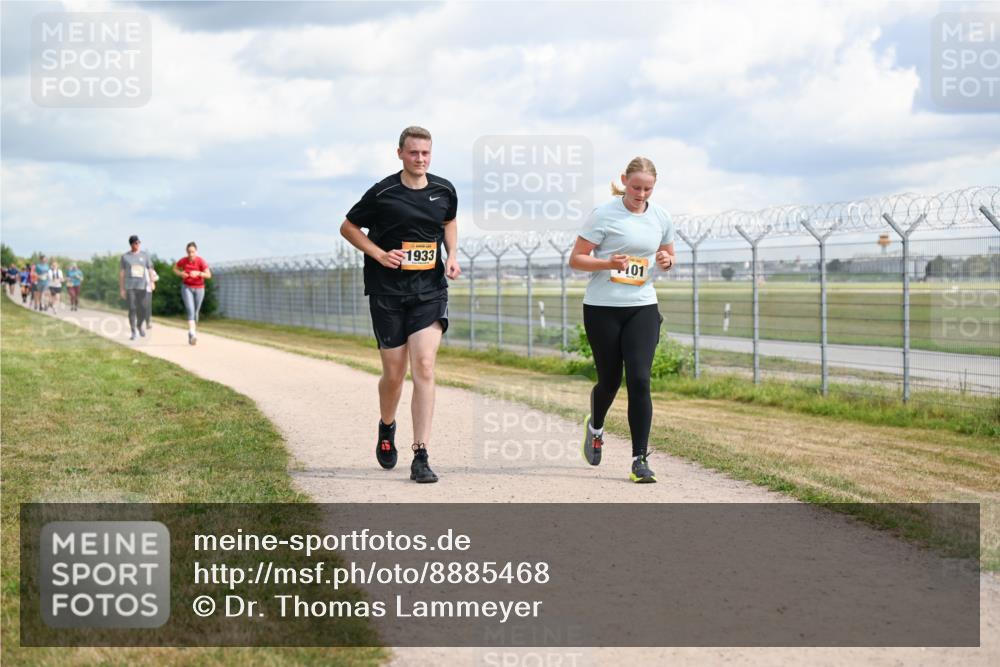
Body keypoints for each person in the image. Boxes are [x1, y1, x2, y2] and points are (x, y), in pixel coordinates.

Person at [339, 126, 460, 484]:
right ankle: (387, 425)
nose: (420, 159)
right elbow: (348, 227)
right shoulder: (383, 192)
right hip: (388, 292)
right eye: (413, 153)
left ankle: (420, 453)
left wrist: (452, 254)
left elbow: (449, 221)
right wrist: (378, 253)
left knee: (423, 365)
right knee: (394, 374)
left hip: (429, 290)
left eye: (425, 153)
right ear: (400, 154)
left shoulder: (444, 190)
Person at [568, 157, 675, 484]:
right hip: (602, 308)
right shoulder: (603, 215)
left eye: (648, 189)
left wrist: (666, 260)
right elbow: (576, 260)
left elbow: (669, 256)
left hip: (642, 305)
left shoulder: (661, 217)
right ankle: (596, 426)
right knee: (610, 381)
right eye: (636, 187)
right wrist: (607, 263)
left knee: (640, 379)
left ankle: (639, 459)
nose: (641, 194)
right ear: (624, 181)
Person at [173, 242, 211, 345]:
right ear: (187, 252)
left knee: (196, 312)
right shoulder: (183, 260)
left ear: (196, 252)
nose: (191, 254)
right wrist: (181, 273)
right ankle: (192, 333)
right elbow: (175, 268)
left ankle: (192, 333)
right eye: (189, 252)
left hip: (199, 288)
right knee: (190, 310)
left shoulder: (201, 261)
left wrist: (198, 273)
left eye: (193, 252)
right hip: (187, 287)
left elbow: (208, 275)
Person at [119, 235, 153, 340]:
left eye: (139, 242)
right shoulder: (125, 257)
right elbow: (122, 273)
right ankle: (133, 331)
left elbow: (150, 269)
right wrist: (122, 289)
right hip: (130, 287)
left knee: (143, 308)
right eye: (135, 243)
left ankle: (139, 325)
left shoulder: (145, 255)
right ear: (131, 244)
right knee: (132, 309)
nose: (138, 244)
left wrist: (151, 282)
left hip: (142, 286)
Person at [145, 264, 159, 330]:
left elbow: (157, 277)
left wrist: (152, 280)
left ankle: (148, 323)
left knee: (147, 307)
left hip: (148, 291)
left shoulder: (152, 272)